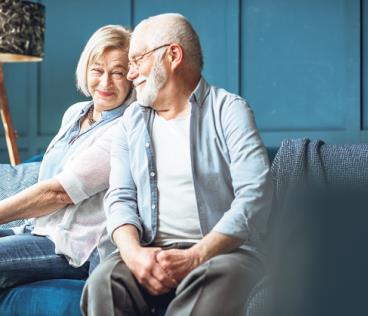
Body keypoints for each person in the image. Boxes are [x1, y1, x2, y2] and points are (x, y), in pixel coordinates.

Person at [0, 24, 133, 315]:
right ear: (85, 70)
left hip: (72, 249)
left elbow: (59, 193)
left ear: (132, 76)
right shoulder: (76, 113)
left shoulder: (125, 129)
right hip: (36, 231)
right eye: (98, 69)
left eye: (118, 72)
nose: (106, 81)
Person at [81, 13, 273, 316]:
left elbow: (255, 196)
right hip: (149, 252)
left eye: (137, 60)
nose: (131, 75)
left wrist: (197, 256)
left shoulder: (229, 111)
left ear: (172, 55)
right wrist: (134, 256)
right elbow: (120, 198)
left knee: (213, 283)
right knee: (103, 283)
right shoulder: (130, 122)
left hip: (224, 254)